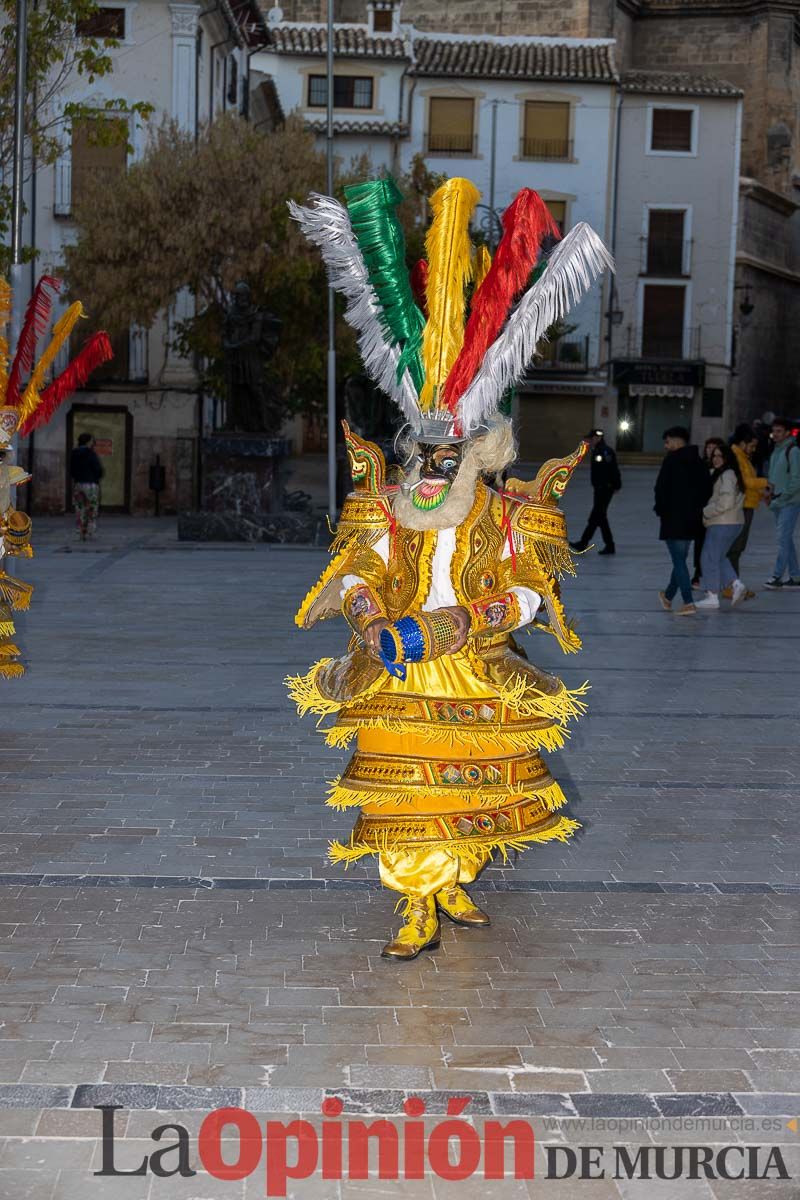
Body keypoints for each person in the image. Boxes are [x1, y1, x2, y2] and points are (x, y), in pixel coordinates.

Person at [288, 176, 610, 960]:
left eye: (447, 456)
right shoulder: (383, 506)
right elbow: (356, 571)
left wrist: (466, 622)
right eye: (423, 455)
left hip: (473, 666)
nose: (431, 469)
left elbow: (536, 593)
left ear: (475, 454)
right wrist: (373, 621)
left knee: (475, 793)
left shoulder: (506, 515)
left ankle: (455, 878)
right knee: (404, 792)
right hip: (397, 670)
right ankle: (414, 901)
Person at [654, 426, 711, 615]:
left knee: (679, 561)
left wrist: (661, 510)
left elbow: (661, 489)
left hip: (673, 520)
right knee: (680, 560)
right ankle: (668, 596)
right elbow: (707, 490)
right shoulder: (699, 461)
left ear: (677, 441)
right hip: (692, 520)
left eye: (667, 441)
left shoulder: (671, 461)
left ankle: (688, 601)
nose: (666, 445)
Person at [695, 443, 746, 609]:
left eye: (720, 456)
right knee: (719, 557)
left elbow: (725, 501)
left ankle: (712, 595)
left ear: (727, 458)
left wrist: (706, 512)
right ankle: (736, 584)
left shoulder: (727, 474)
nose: (716, 459)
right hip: (732, 522)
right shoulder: (727, 473)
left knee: (708, 558)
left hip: (722, 522)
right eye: (714, 456)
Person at [569, 428, 621, 555]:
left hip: (604, 489)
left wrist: (615, 485)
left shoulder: (604, 451)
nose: (590, 441)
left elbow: (612, 469)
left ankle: (585, 543)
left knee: (597, 516)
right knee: (599, 516)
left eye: (591, 438)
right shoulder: (598, 450)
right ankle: (606, 545)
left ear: (598, 438)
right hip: (600, 488)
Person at [728, 423, 768, 585]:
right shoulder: (736, 457)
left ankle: (734, 584)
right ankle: (731, 585)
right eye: (751, 446)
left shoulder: (744, 457)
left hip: (747, 506)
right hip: (741, 508)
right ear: (743, 443)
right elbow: (745, 482)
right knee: (734, 549)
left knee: (737, 549)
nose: (753, 449)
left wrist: (761, 496)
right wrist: (766, 483)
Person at [764, 415, 800, 589]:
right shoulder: (776, 450)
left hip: (790, 502)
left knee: (782, 539)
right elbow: (773, 477)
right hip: (777, 501)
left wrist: (783, 497)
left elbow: (796, 480)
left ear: (787, 433)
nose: (775, 434)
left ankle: (777, 576)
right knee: (786, 540)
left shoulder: (793, 451)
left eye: (779, 431)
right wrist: (769, 494)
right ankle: (796, 576)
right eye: (774, 431)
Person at [691, 437, 726, 586]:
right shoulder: (700, 466)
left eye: (714, 448)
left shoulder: (723, 470)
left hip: (716, 512)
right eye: (708, 447)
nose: (710, 450)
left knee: (713, 545)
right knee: (699, 543)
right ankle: (698, 572)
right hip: (701, 510)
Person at [69, 432, 103, 542]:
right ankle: (89, 529)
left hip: (78, 484)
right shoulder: (90, 453)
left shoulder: (74, 453)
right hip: (91, 484)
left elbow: (71, 469)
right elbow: (98, 469)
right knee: (91, 507)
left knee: (80, 507)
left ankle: (81, 528)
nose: (94, 443)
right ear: (88, 442)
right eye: (92, 441)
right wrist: (98, 476)